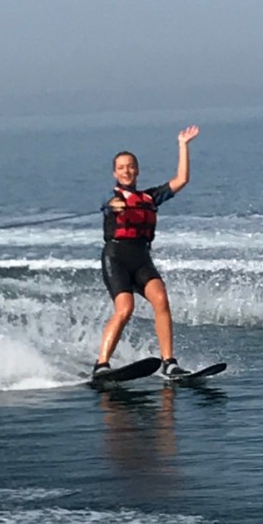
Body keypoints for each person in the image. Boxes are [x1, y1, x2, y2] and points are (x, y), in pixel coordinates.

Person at [93, 125, 200, 378]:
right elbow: (107, 204)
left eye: (130, 166)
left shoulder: (150, 197)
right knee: (125, 309)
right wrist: (114, 205)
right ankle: (101, 365)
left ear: (137, 170)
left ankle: (169, 363)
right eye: (121, 167)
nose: (126, 170)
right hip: (116, 257)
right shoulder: (112, 197)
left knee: (161, 299)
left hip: (141, 258)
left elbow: (181, 180)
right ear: (115, 173)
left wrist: (183, 145)